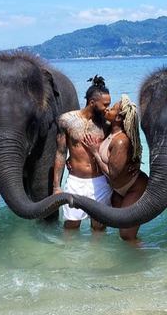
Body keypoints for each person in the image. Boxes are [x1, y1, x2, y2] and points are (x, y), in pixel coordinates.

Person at [82, 94, 147, 242]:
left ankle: (148, 255)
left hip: (133, 187)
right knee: (120, 230)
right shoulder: (109, 133)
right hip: (118, 190)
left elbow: (112, 174)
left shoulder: (121, 141)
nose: (107, 109)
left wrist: (95, 153)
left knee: (127, 235)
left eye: (112, 109)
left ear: (118, 118)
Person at [52, 75, 113, 231]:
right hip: (75, 182)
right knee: (71, 226)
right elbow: (60, 153)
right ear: (92, 103)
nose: (108, 108)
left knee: (99, 227)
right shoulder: (67, 120)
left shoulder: (107, 124)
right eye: (105, 105)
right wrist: (56, 186)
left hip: (100, 182)